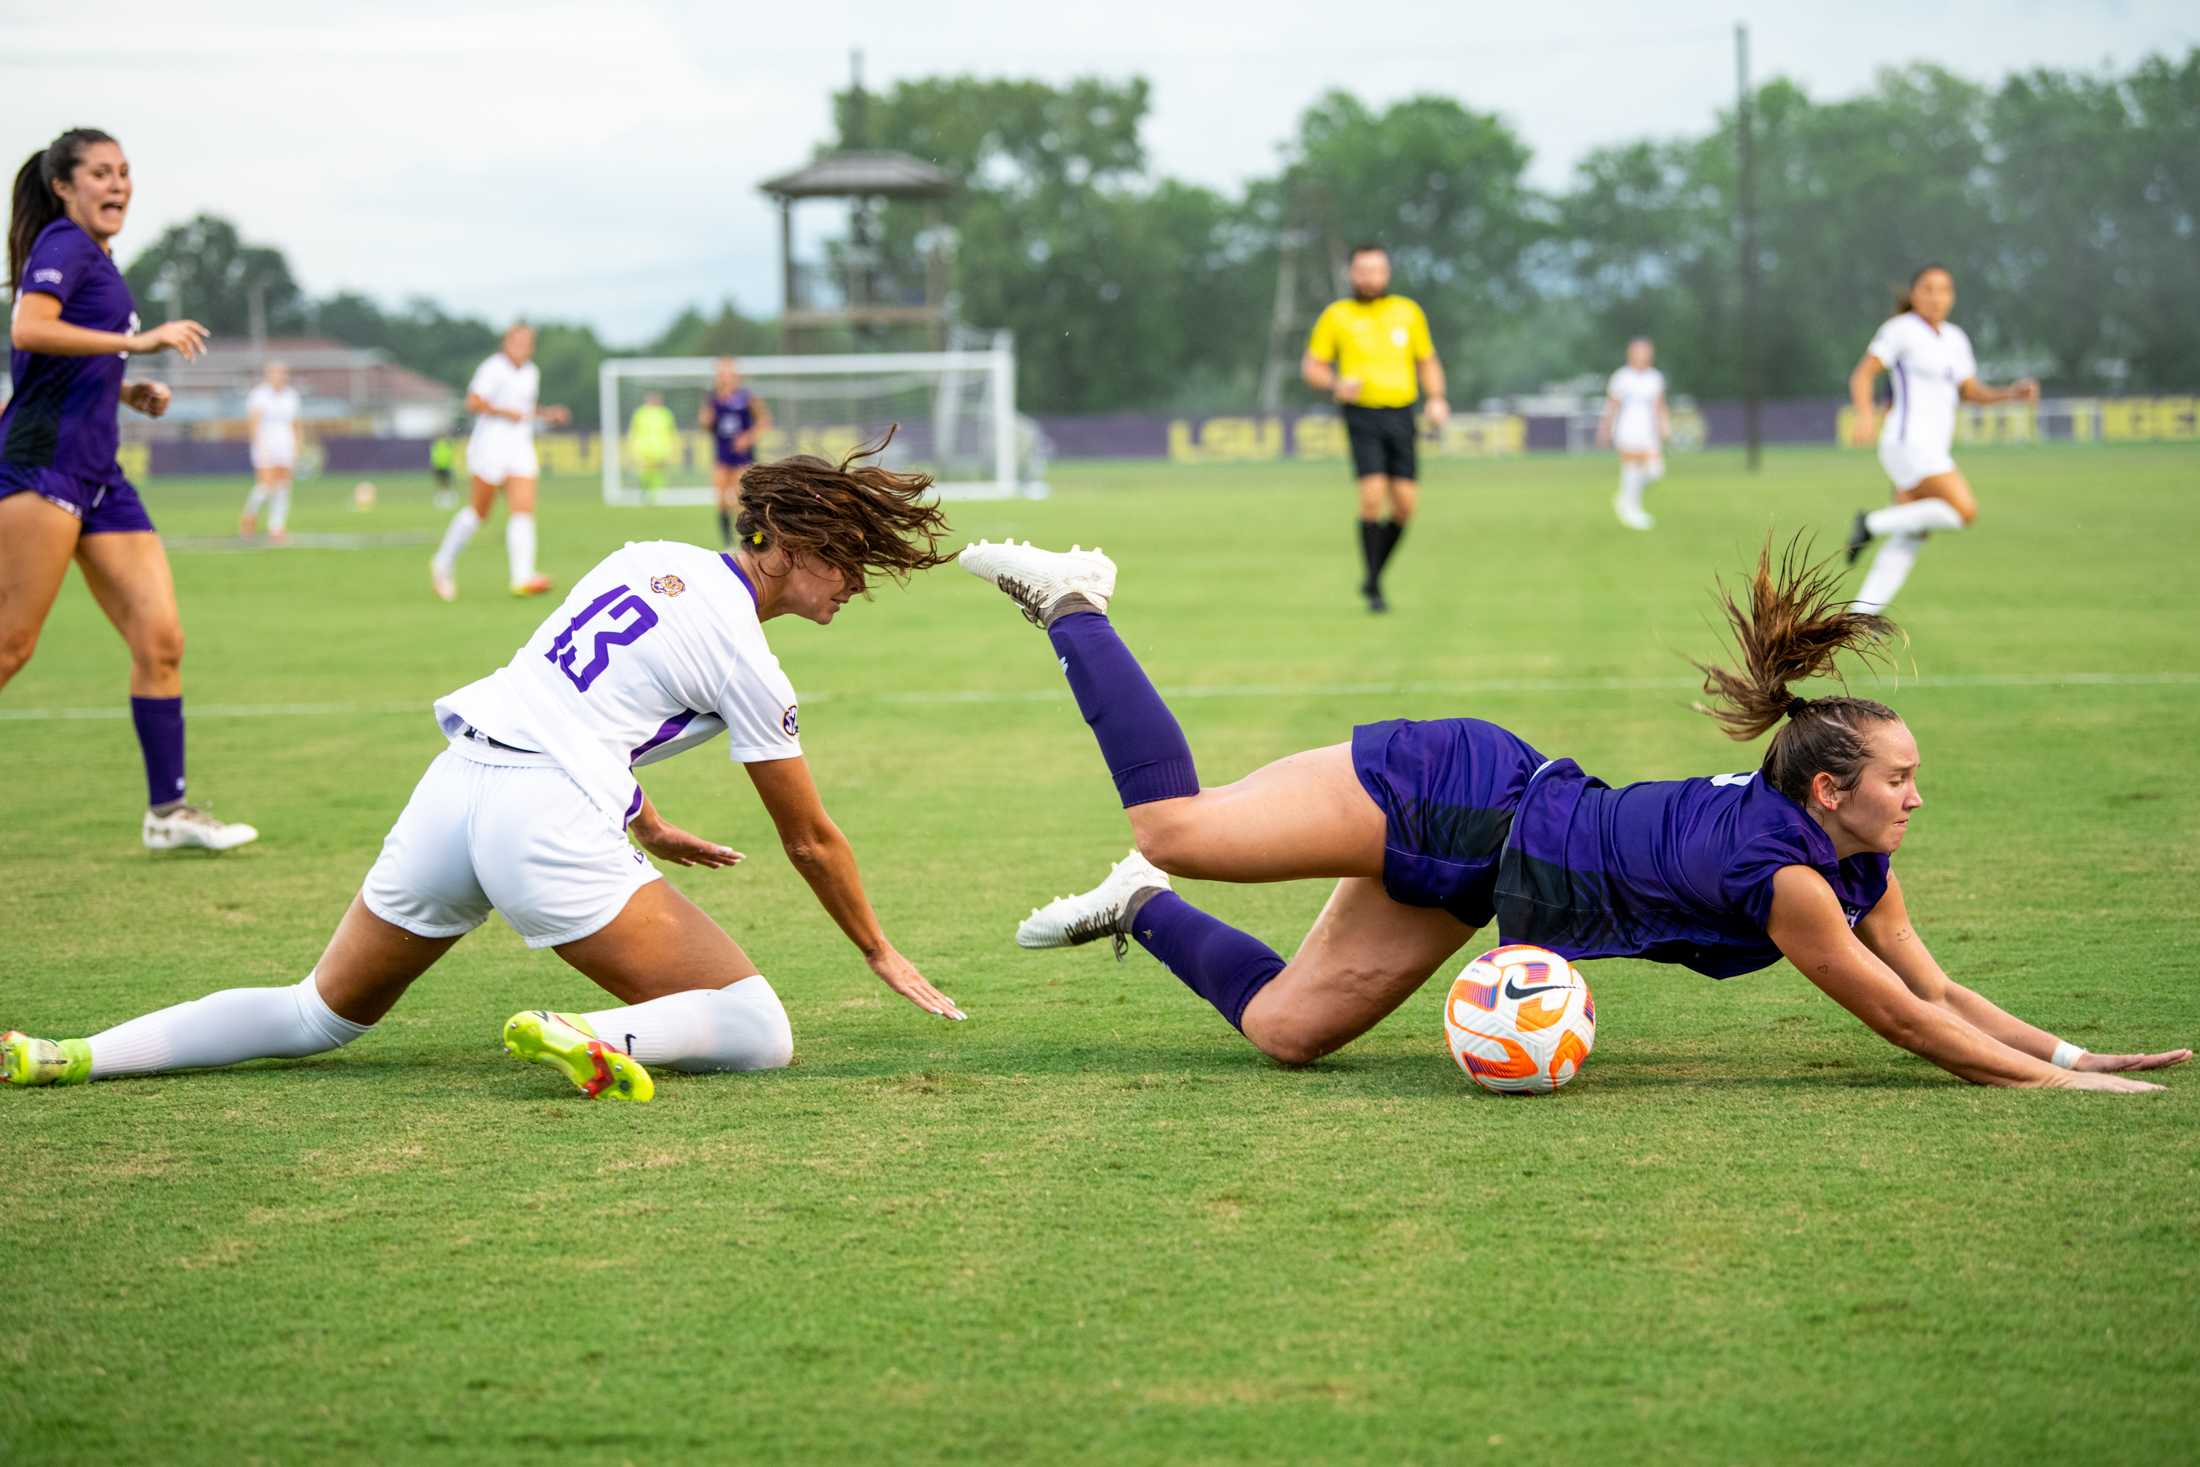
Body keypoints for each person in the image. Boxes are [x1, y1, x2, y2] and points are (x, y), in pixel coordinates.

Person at [955, 537, 2186, 1091]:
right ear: (1829, 790)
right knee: (1179, 818)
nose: (1917, 794)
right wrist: (2061, 1096)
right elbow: (1909, 1031)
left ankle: (1139, 907)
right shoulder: (1798, 885)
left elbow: (1937, 991)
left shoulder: (1852, 864)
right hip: (1459, 796)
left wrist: (2074, 1053)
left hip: (1487, 876)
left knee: (1284, 1033)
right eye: (1900, 777)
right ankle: (1077, 601)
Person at [4, 438, 964, 1099]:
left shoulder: (647, 557)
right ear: (789, 544)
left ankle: (74, 1053)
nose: (857, 582)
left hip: (457, 785)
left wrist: (644, 814)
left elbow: (572, 692)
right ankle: (584, 1033)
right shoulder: (753, 662)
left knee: (314, 1013)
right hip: (544, 817)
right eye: (848, 559)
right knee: (760, 1029)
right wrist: (878, 949)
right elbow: (809, 836)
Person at [0, 127, 257, 852]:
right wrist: (135, 345)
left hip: (98, 471)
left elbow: (64, 359)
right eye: (100, 174)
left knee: (161, 637)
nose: (117, 185)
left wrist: (123, 387)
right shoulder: (63, 244)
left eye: (124, 172)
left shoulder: (98, 256)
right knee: (11, 645)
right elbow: (30, 327)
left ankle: (167, 813)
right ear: (64, 186)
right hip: (43, 464)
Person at [1843, 265, 2039, 613]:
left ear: (1952, 296)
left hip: (1931, 448)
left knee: (1913, 531)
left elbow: (1970, 392)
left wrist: (2010, 393)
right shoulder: (1900, 330)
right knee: (1963, 510)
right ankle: (1871, 523)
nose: (1936, 297)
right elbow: (1863, 374)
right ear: (1914, 294)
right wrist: (1865, 416)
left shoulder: (1955, 338)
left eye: (1944, 289)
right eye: (1928, 288)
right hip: (1908, 444)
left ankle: (1862, 614)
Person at [1301, 244, 1449, 613]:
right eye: (1363, 270)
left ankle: (1372, 575)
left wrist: (1437, 397)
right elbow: (1312, 366)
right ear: (1352, 273)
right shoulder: (1338, 316)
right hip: (1361, 413)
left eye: (1377, 270)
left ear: (1387, 273)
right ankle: (1375, 587)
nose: (1370, 277)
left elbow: (1427, 360)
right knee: (1371, 495)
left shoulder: (1407, 312)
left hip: (1401, 413)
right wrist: (1335, 384)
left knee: (1405, 505)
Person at [429, 322, 570, 602]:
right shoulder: (492, 368)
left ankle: (522, 577)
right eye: (518, 341)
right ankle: (442, 562)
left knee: (523, 509)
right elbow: (474, 402)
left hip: (519, 446)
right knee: (479, 513)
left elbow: (524, 410)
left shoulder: (531, 372)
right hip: (490, 446)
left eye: (528, 342)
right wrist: (504, 413)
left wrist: (546, 413)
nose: (523, 347)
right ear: (506, 343)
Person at [1596, 337, 1668, 531]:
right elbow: (1612, 405)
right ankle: (1632, 511)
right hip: (1627, 429)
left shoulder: (1655, 378)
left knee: (1655, 471)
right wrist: (1605, 429)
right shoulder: (1622, 377)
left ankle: (1625, 498)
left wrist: (1663, 425)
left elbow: (1659, 405)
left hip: (1649, 431)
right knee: (1632, 469)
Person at [702, 358, 770, 549]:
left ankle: (751, 537)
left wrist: (748, 438)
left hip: (743, 456)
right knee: (721, 498)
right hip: (722, 454)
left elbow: (764, 421)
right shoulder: (713, 399)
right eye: (721, 374)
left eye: (728, 373)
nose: (724, 378)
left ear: (736, 376)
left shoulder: (746, 397)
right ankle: (727, 542)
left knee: (742, 498)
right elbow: (706, 425)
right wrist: (707, 417)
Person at [238, 361, 301, 543]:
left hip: (285, 444)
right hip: (265, 444)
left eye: (283, 373)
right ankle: (250, 515)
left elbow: (295, 423)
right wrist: (260, 446)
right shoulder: (259, 395)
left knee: (283, 486)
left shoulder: (291, 396)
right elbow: (254, 423)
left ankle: (277, 526)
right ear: (268, 375)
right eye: (276, 373)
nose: (280, 377)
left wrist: (297, 444)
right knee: (266, 485)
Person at [627, 390, 679, 501]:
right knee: (645, 470)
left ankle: (656, 494)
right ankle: (645, 490)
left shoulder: (666, 413)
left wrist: (672, 446)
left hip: (661, 448)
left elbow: (671, 431)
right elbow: (634, 430)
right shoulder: (640, 413)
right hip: (644, 448)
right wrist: (633, 446)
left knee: (659, 471)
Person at [429, 431, 456, 510]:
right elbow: (434, 455)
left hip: (445, 466)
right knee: (441, 483)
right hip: (439, 466)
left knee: (445, 483)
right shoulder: (439, 444)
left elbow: (449, 454)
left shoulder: (445, 444)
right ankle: (442, 498)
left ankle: (446, 498)